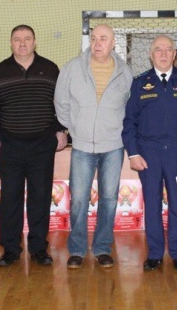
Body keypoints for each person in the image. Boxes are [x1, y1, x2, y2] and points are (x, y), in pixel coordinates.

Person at [123, 35, 177, 272]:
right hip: (148, 153)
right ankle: (155, 254)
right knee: (152, 204)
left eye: (168, 49)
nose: (163, 54)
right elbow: (129, 122)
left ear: (174, 54)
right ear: (151, 55)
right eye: (158, 50)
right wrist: (133, 153)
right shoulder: (140, 83)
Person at [54, 24, 133, 269]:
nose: (98, 43)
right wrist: (75, 127)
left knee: (109, 199)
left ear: (113, 43)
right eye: (94, 38)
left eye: (104, 39)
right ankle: (77, 249)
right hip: (82, 146)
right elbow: (60, 102)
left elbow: (129, 106)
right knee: (78, 199)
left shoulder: (125, 71)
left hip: (113, 146)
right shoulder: (72, 68)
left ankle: (102, 248)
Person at [0, 25, 67, 267]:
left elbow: (61, 103)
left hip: (42, 145)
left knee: (40, 197)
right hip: (10, 145)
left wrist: (60, 130)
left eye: (27, 39)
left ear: (35, 42)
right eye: (17, 39)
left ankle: (38, 248)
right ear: (10, 43)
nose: (22, 43)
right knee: (10, 197)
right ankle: (10, 249)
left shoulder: (51, 69)